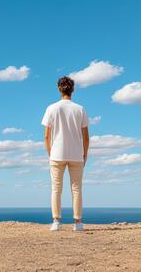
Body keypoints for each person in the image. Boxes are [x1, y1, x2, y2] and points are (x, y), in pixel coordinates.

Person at [41, 76, 90, 232]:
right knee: (76, 189)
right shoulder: (80, 109)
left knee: (56, 188)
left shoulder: (51, 108)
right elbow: (86, 136)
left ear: (59, 89)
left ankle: (56, 222)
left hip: (56, 153)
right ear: (72, 89)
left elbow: (47, 135)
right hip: (76, 154)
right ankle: (78, 223)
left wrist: (50, 152)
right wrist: (85, 154)